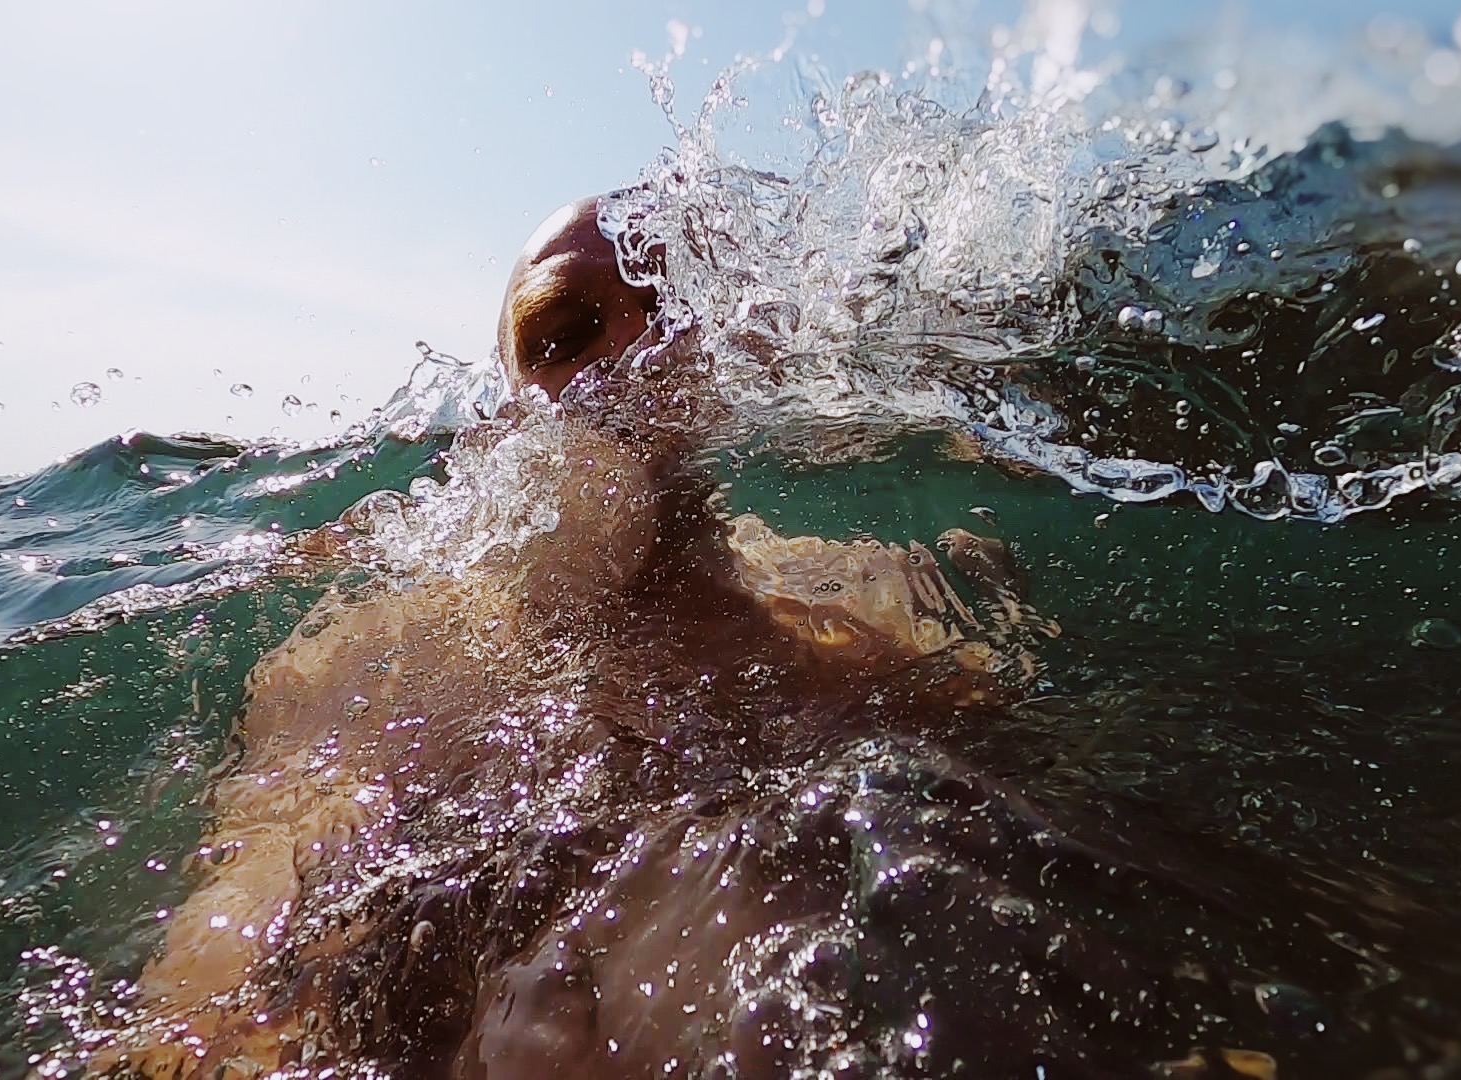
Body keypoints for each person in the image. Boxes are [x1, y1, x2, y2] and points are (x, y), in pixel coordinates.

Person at [87, 197, 1050, 1077]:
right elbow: (211, 1008)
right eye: (566, 333)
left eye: (675, 307)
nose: (635, 354)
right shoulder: (374, 659)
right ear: (512, 409)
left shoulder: (864, 601)